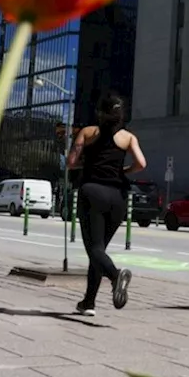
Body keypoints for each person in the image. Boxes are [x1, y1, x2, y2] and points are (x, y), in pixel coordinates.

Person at [67, 91, 145, 316]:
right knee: (99, 250)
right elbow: (141, 163)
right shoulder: (128, 138)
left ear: (100, 112)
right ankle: (88, 303)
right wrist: (123, 171)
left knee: (95, 249)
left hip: (92, 192)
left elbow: (71, 163)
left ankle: (115, 275)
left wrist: (86, 162)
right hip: (118, 197)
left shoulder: (88, 132)